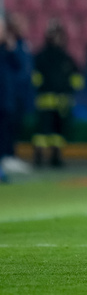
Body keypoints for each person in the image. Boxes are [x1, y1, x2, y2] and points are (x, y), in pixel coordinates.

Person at [31, 22, 84, 167]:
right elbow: (35, 78)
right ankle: (38, 158)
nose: (57, 38)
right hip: (45, 100)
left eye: (59, 35)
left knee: (58, 133)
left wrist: (69, 91)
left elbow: (77, 78)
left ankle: (56, 157)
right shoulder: (41, 56)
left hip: (62, 102)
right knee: (42, 132)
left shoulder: (67, 58)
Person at [0, 18, 20, 182]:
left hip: (5, 99)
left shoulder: (7, 50)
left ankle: (3, 164)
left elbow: (18, 66)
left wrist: (11, 49)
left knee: (4, 133)